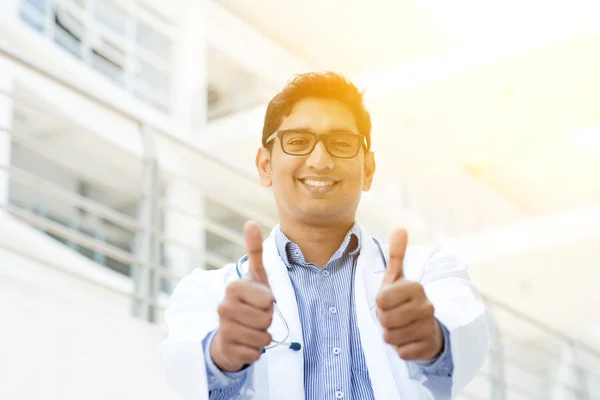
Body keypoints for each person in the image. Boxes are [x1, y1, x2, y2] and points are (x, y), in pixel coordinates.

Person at [160, 72, 495, 400]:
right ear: (265, 166)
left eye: (341, 143)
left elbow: (466, 332)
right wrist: (224, 353)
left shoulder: (428, 272)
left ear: (368, 169)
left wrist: (432, 338)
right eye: (297, 142)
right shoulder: (206, 292)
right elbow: (185, 367)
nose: (319, 161)